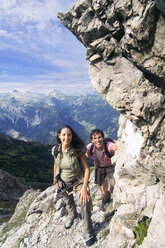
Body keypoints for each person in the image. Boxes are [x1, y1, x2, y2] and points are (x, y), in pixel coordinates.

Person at [52, 125, 95, 246]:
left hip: (77, 181)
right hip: (62, 182)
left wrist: (84, 188)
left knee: (84, 202)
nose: (67, 137)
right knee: (68, 202)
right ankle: (72, 216)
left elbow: (87, 169)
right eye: (64, 135)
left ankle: (87, 230)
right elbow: (55, 164)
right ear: (59, 136)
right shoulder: (56, 150)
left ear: (72, 136)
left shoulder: (78, 150)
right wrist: (55, 180)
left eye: (69, 134)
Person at [86, 129, 119, 210]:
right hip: (100, 170)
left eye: (99, 137)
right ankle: (107, 199)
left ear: (103, 138)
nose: (97, 140)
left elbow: (115, 147)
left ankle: (114, 203)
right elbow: (84, 154)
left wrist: (118, 142)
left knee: (114, 188)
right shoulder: (90, 147)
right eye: (95, 138)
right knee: (104, 192)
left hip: (110, 169)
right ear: (92, 140)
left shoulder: (108, 145)